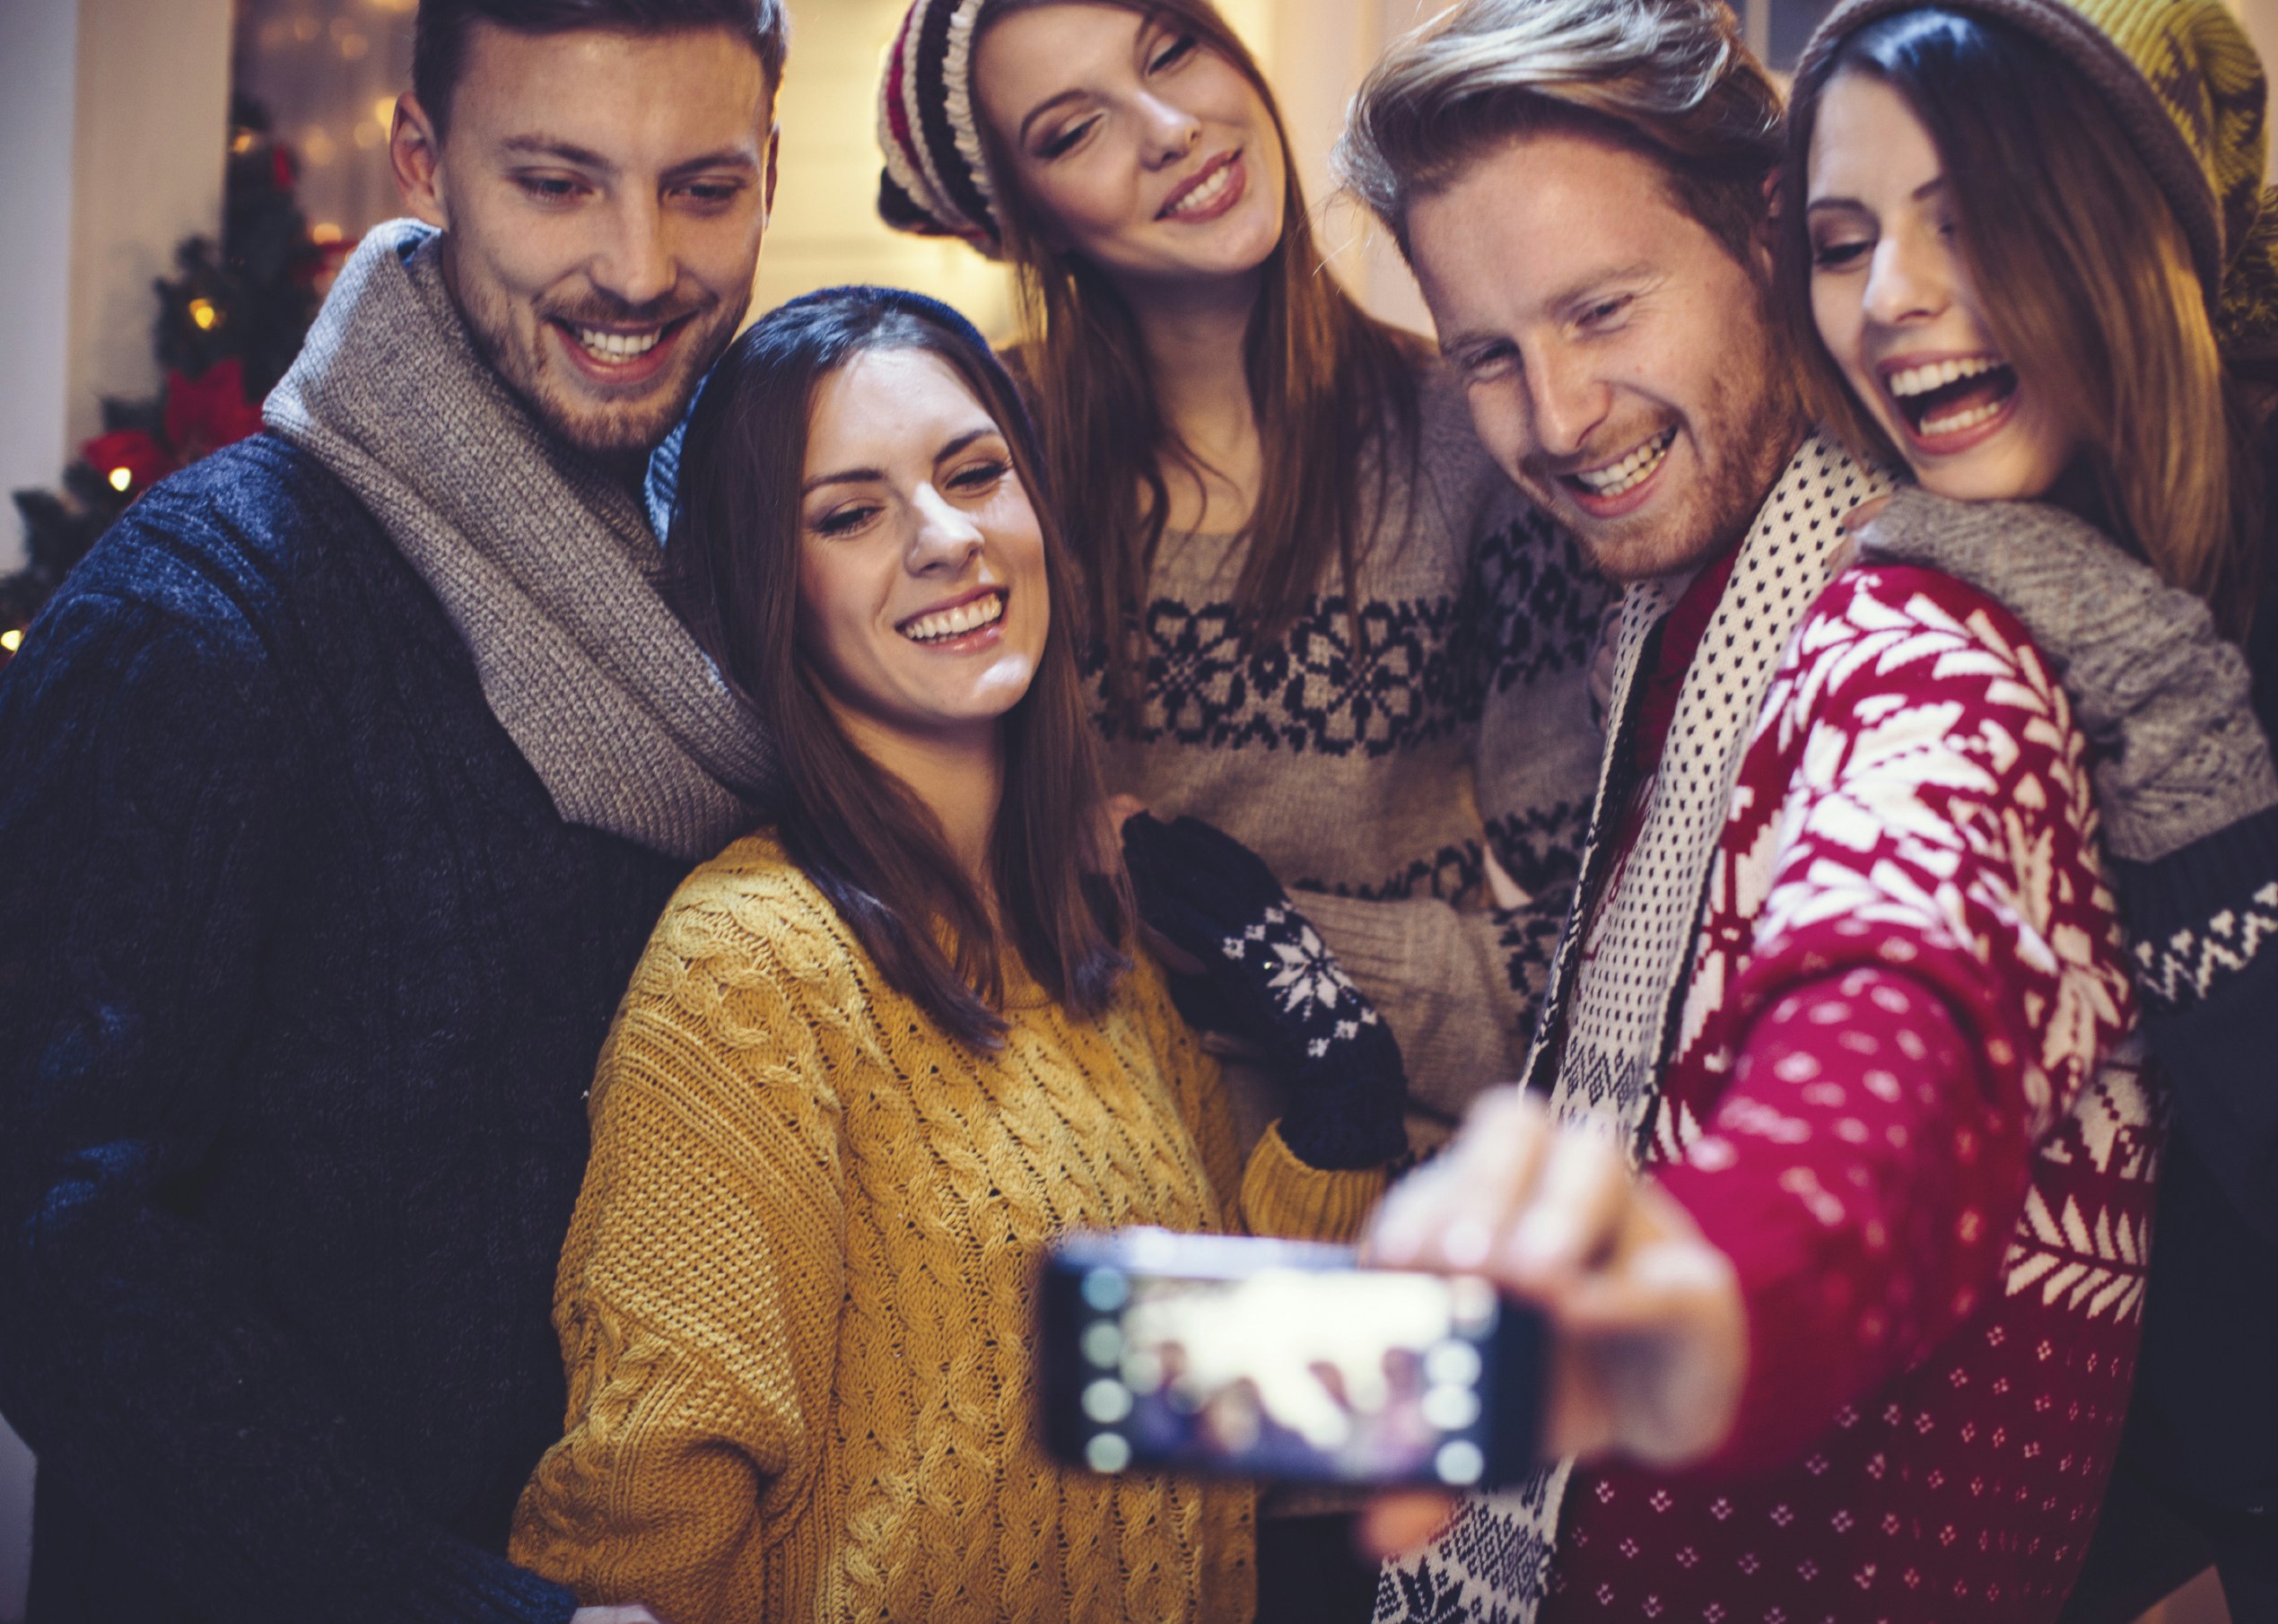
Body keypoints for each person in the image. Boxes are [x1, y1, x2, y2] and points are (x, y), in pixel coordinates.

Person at [1329, 1, 2159, 1619]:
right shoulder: (1666, 618)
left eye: (1602, 311)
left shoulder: (1921, 646)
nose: (1558, 418)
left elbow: (1889, 1019)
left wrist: (1713, 1281)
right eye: (1488, 355)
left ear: (1768, 248)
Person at [0, 4, 785, 1620]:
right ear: (423, 165)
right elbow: (55, 1238)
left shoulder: (744, 576)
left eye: (703, 187)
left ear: (771, 170)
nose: (638, 267)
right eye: (558, 183)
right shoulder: (207, 612)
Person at [505, 284, 1405, 1624]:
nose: (946, 539)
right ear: (773, 591)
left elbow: (1221, 1430)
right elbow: (643, 1538)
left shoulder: (1102, 952)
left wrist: (1342, 1085)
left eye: (974, 472)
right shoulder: (749, 968)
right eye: (851, 513)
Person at [1776, 3, 2278, 1618]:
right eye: (1839, 240)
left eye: (1973, 219)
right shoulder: (1982, 556)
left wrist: (2161, 693)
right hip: (2114, 1500)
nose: (1890, 300)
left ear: (2138, 237)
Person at [875, 0, 1614, 1151]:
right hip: (1067, 1176)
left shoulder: (1473, 442)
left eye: (1171, 50)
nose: (1169, 127)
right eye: (1074, 131)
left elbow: (1576, 976)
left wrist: (1259, 940)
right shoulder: (972, 469)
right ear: (1028, 226)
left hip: (1377, 1198)